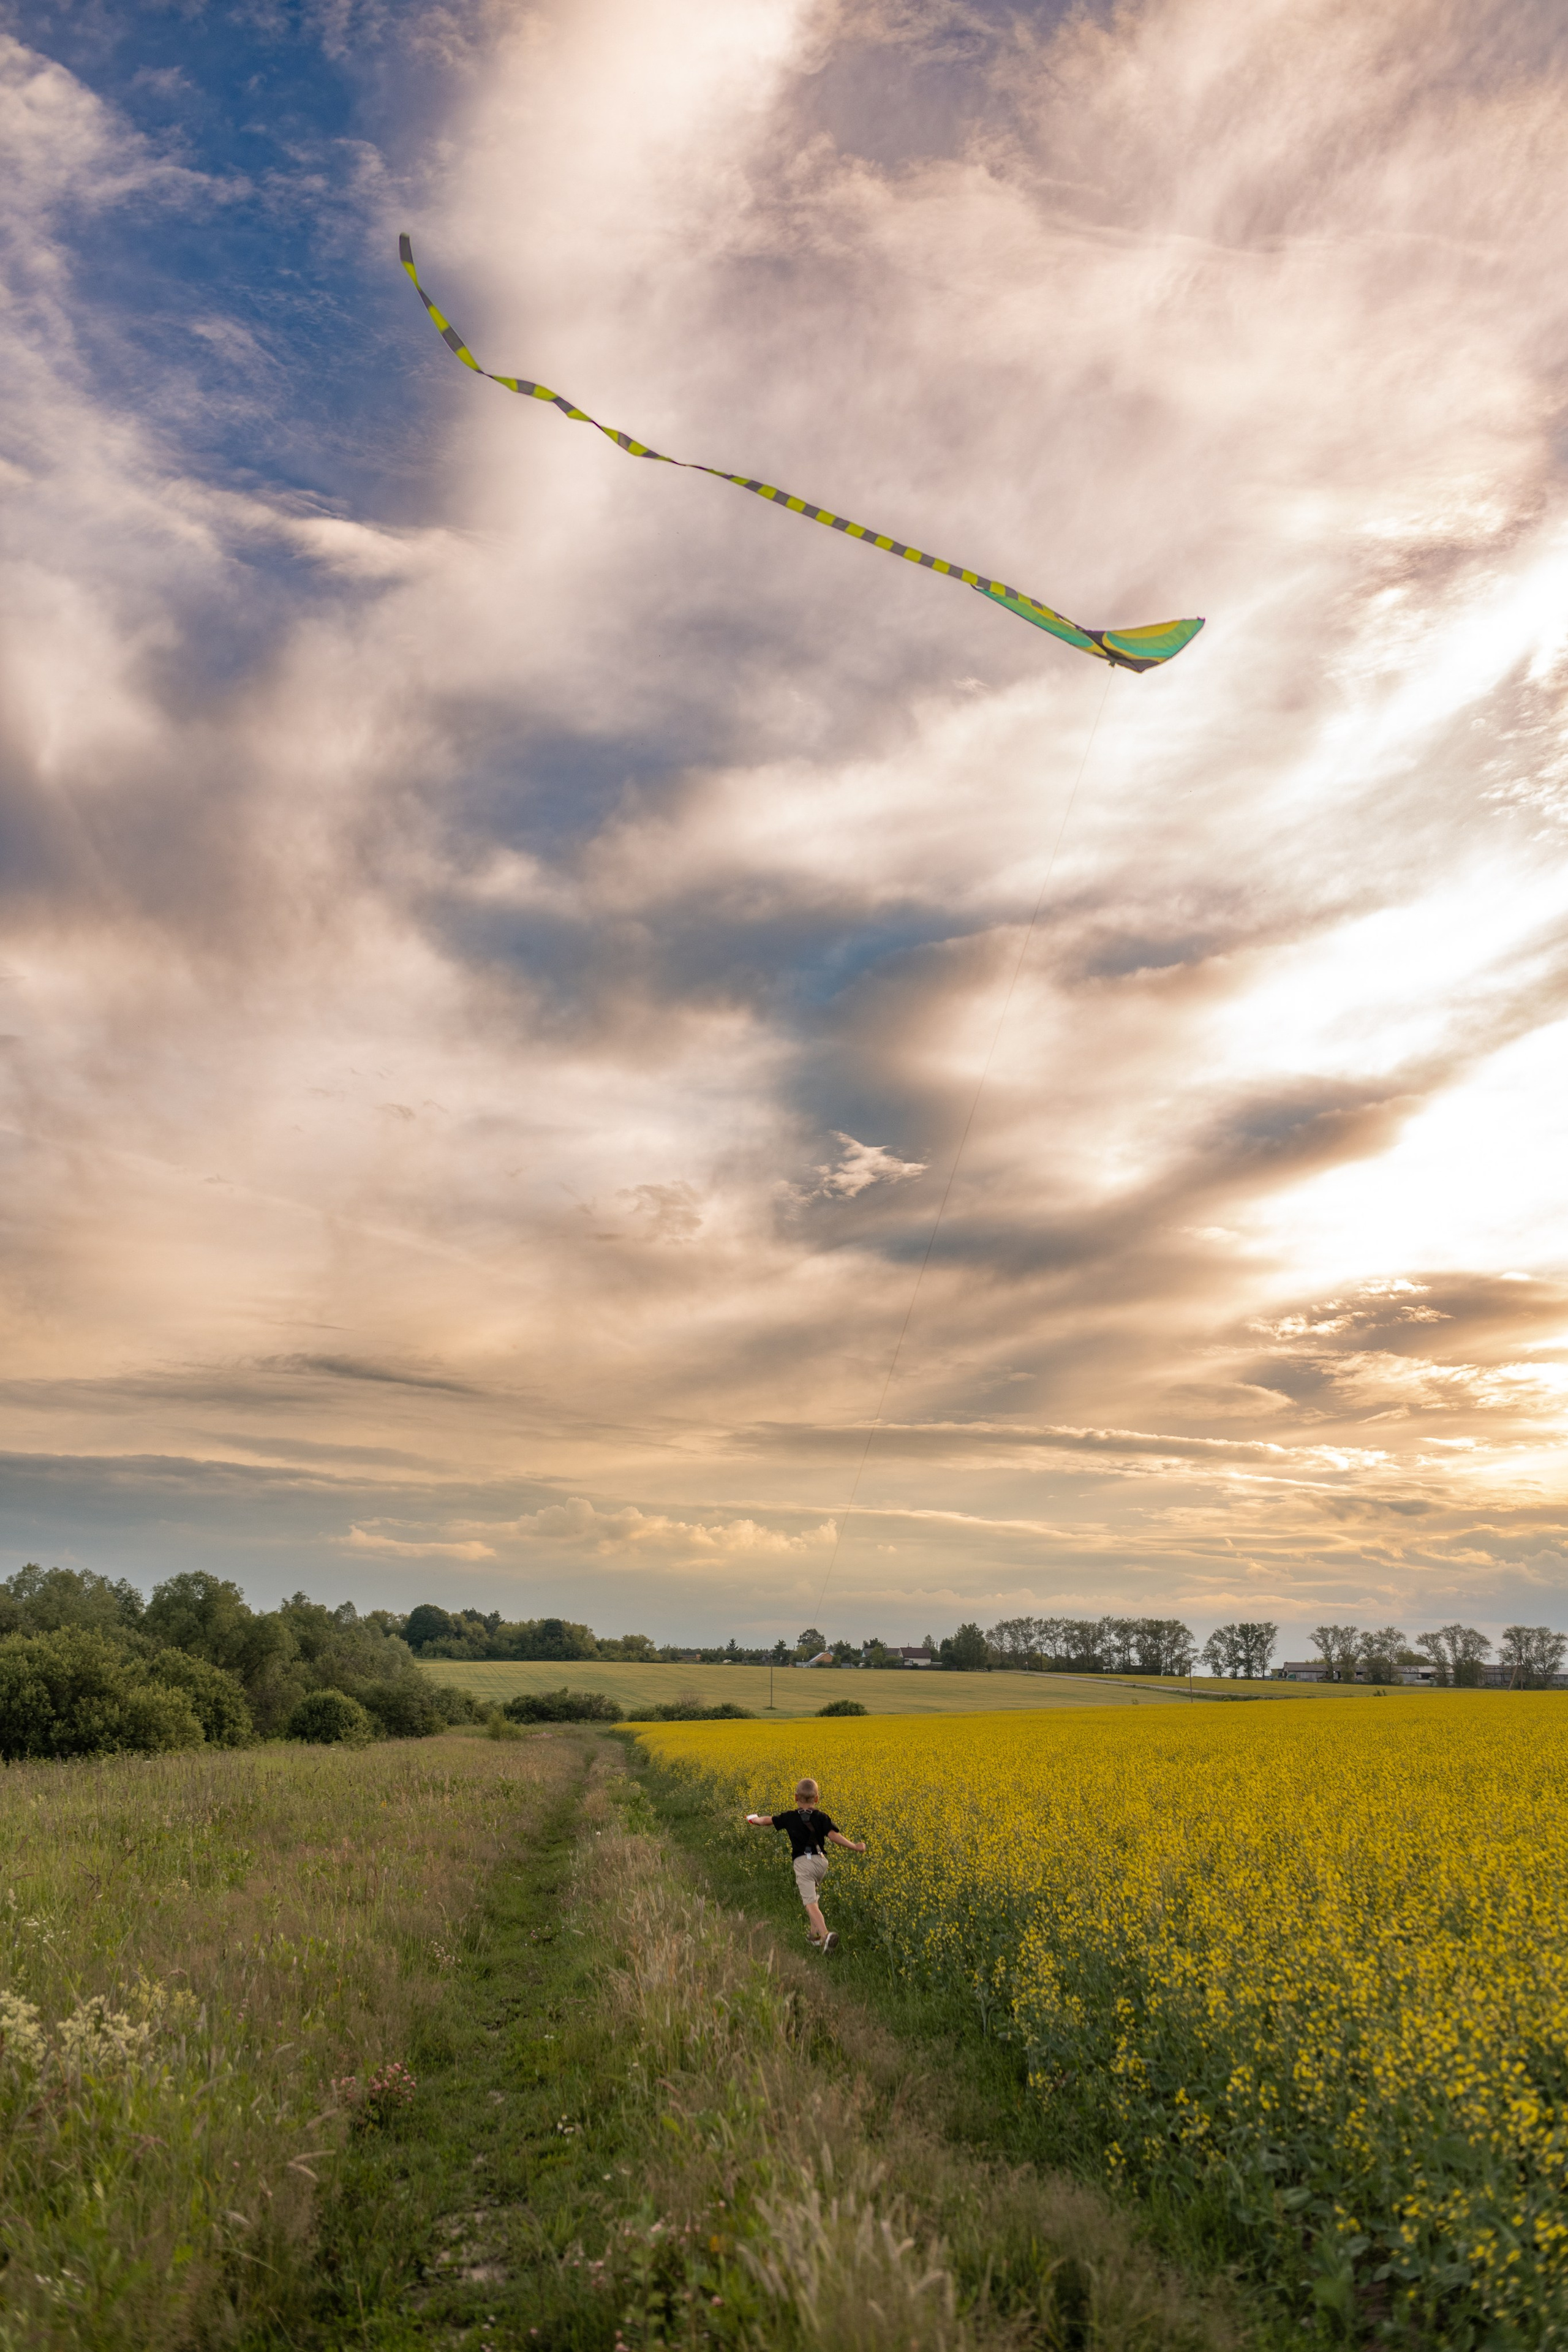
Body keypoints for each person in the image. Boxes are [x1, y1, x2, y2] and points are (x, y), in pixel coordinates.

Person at [745, 1776, 865, 1953]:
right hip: (821, 1863)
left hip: (803, 1864)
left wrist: (754, 1819)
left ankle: (825, 1935)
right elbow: (834, 1837)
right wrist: (855, 1846)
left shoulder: (789, 1817)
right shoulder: (822, 1817)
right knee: (813, 1897)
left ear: (796, 1797)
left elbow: (766, 1821)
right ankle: (814, 1936)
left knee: (809, 1902)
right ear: (817, 1798)